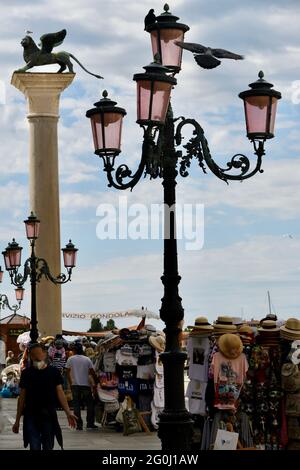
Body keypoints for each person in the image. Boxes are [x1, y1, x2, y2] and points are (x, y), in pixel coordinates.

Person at [12, 343, 77, 450]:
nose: (36, 358)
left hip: (48, 414)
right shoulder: (27, 373)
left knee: (48, 445)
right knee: (34, 445)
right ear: (30, 357)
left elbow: (60, 393)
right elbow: (22, 397)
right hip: (31, 414)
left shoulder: (54, 372)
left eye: (38, 355)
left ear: (45, 354)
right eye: (33, 355)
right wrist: (17, 420)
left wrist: (68, 412)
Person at [66, 342, 98, 430]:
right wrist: (96, 381)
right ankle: (90, 424)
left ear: (74, 350)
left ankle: (79, 425)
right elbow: (92, 371)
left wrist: (70, 381)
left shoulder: (70, 359)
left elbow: (67, 371)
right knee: (90, 404)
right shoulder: (87, 359)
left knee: (76, 405)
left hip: (75, 385)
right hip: (86, 385)